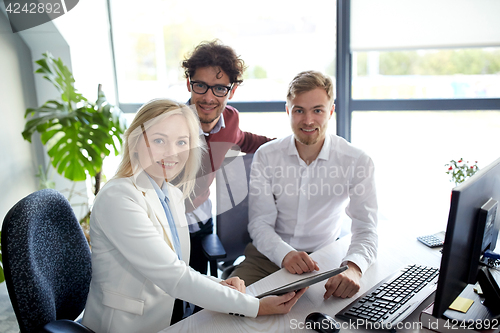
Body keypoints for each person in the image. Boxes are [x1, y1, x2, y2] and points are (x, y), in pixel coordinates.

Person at [81, 99, 306, 333]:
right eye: (159, 140)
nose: (172, 152)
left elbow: (177, 268)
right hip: (130, 325)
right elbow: (174, 276)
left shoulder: (172, 194)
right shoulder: (119, 198)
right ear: (136, 142)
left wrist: (221, 284)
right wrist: (255, 306)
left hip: (174, 316)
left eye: (181, 142)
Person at [230, 71, 378, 299]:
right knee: (228, 307)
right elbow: (260, 223)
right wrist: (285, 254)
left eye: (317, 110)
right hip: (268, 257)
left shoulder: (356, 160)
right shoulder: (267, 156)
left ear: (330, 111)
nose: (308, 120)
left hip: (323, 259)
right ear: (288, 111)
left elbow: (366, 227)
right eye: (299, 110)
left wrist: (354, 267)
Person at [180, 40, 273, 274]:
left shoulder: (230, 119)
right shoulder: (171, 124)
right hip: (166, 225)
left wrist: (290, 145)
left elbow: (244, 140)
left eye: (219, 88)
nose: (209, 98)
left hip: (201, 222)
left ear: (232, 90)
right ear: (189, 84)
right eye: (200, 85)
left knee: (200, 296)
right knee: (169, 301)